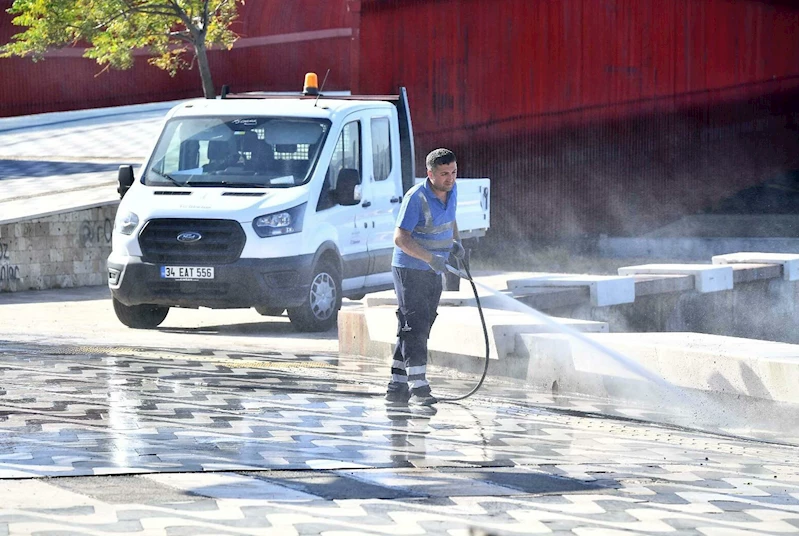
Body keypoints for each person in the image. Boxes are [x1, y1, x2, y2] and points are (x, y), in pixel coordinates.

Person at [386, 148, 466, 406]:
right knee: (415, 326)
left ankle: (396, 384)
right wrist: (430, 258)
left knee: (422, 323)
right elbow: (400, 239)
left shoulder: (452, 190)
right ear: (429, 173)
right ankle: (419, 387)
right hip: (411, 269)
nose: (450, 178)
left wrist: (455, 243)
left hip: (434, 270)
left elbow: (449, 219)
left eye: (453, 172)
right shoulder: (416, 198)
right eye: (444, 174)